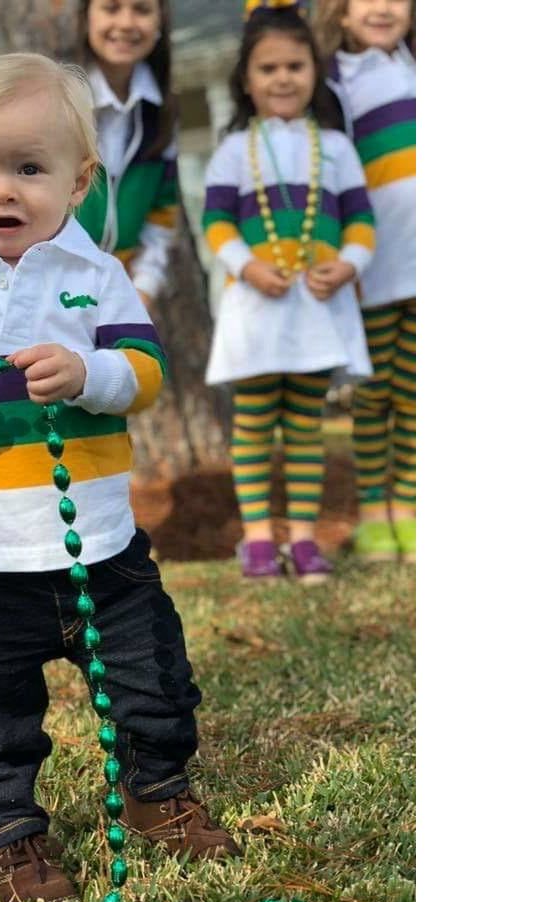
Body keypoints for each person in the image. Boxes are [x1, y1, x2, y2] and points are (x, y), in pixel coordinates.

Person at [0, 52, 242, 902]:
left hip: (101, 548)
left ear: (78, 182)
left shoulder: (96, 277)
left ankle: (157, 793)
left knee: (153, 680)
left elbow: (143, 372)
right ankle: (11, 836)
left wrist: (86, 372)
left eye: (28, 169)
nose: (2, 190)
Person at [201, 1, 375, 583]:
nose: (282, 78)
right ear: (246, 81)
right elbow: (218, 223)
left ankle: (302, 539)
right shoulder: (232, 151)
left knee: (304, 424)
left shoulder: (338, 149)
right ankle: (255, 538)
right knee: (252, 422)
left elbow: (361, 223)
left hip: (317, 309)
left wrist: (348, 265)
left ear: (314, 73)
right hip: (256, 308)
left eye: (295, 67)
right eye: (268, 68)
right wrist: (245, 266)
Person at [314, 0, 415, 563]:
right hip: (374, 268)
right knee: (374, 395)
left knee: (420, 395)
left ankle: (412, 506)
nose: (382, 7)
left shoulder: (418, 65)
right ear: (342, 13)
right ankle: (375, 511)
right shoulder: (334, 83)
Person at [74, 0, 180, 312]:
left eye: (142, 9)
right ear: (86, 17)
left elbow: (162, 215)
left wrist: (142, 291)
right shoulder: (59, 101)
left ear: (160, 21)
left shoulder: (162, 112)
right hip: (50, 291)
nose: (126, 22)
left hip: (120, 296)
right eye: (111, 7)